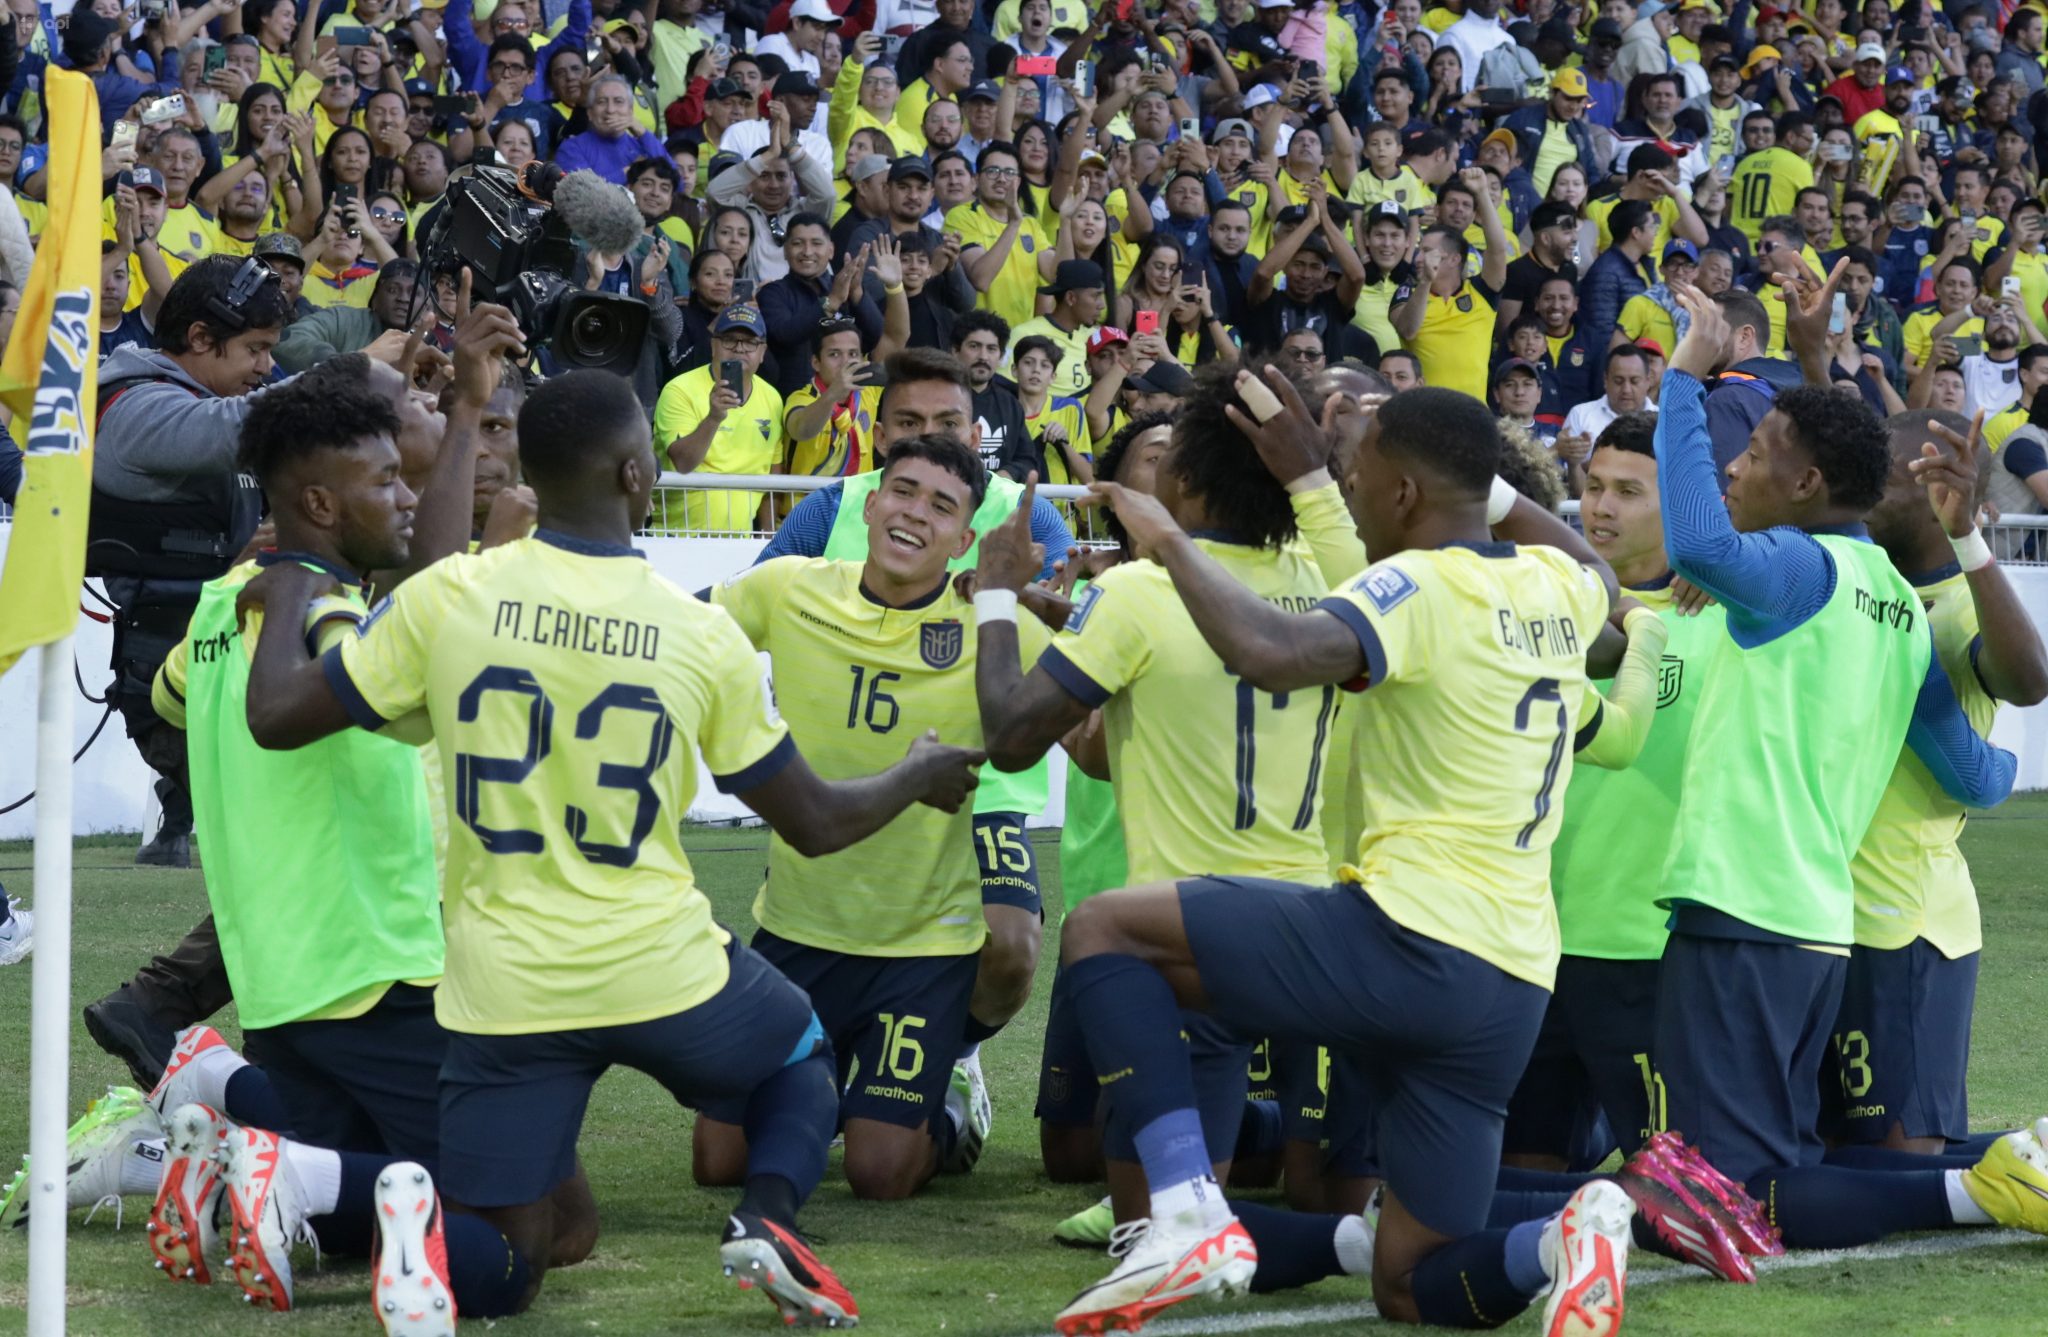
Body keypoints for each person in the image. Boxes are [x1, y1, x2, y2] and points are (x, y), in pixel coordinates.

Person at [231, 367, 984, 1328]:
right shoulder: (697, 630)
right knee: (799, 1051)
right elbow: (817, 821)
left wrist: (293, 578)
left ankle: (403, 1216)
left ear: (529, 476)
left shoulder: (450, 595)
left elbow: (279, 715)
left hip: (504, 985)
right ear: (640, 476)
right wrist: (916, 771)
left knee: (509, 1261)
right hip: (656, 961)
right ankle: (768, 1219)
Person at [996, 373, 1676, 1335]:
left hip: (1409, 935)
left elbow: (1273, 651)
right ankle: (1568, 1234)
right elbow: (1598, 575)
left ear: (1402, 494)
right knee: (1409, 1281)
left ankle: (1187, 1205)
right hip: (1513, 977)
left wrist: (1169, 545)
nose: (1344, 492)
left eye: (1358, 477)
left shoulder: (1412, 584)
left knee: (1107, 928)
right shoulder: (1555, 582)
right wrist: (1453, 477)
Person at [1645, 276, 2048, 1254]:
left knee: (1736, 1184)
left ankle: (1983, 1181)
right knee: (1794, 1154)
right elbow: (1975, 767)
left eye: (1752, 456)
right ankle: (2003, 1161)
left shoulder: (1821, 574)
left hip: (1787, 906)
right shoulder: (1893, 602)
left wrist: (1681, 385)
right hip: (1823, 915)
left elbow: (1700, 538)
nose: (1738, 468)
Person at [692, 432, 1048, 1199]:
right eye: (903, 491)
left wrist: (1025, 601)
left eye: (941, 505)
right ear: (872, 500)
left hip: (920, 948)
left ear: (964, 537)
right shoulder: (790, 587)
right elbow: (676, 632)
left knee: (879, 1173)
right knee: (718, 1163)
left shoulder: (995, 623)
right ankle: (828, 1094)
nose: (915, 513)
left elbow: (1067, 712)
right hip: (797, 928)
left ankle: (953, 1103)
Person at [1506, 411, 1717, 1174]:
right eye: (1593, 485)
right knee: (1523, 1169)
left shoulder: (1726, 618)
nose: (1601, 507)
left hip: (1644, 945)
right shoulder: (1536, 603)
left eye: (1630, 490)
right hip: (1529, 938)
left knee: (1672, 1182)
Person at [1834, 409, 2048, 1155]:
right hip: (1820, 912)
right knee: (1829, 1148)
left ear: (1939, 494)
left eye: (1885, 480)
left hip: (1906, 922)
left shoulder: (1960, 607)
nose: (1860, 495)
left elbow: (2029, 679)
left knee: (1901, 1155)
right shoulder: (1845, 587)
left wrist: (1968, 539)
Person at [653, 302, 786, 533]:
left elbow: (772, 481)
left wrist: (769, 541)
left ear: (763, 352)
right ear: (714, 345)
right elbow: (683, 463)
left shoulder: (772, 398)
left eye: (751, 342)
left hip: (739, 543)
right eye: (729, 339)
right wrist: (713, 418)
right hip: (676, 538)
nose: (739, 348)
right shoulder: (679, 390)